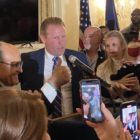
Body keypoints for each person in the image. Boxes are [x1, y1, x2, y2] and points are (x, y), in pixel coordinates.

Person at [19, 17, 89, 117]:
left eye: (63, 36)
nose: (61, 42)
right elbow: (27, 100)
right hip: (43, 122)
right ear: (43, 38)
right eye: (56, 38)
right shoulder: (28, 61)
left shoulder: (79, 57)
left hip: (74, 121)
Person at [96, 30, 140, 102]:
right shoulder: (102, 68)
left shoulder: (134, 63)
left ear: (122, 46)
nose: (110, 48)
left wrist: (137, 88)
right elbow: (100, 95)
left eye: (114, 45)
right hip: (113, 108)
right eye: (107, 46)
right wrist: (117, 86)